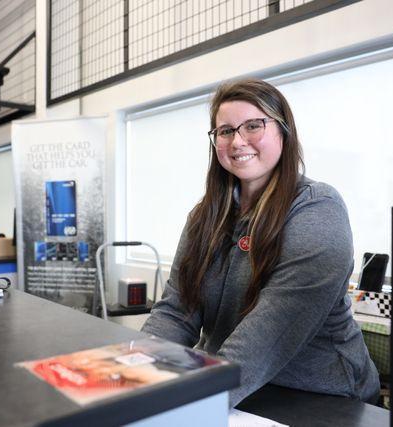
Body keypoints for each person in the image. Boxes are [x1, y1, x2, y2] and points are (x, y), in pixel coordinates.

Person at [141, 78, 380, 407]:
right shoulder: (204, 217)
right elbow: (176, 311)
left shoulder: (318, 208)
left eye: (253, 126)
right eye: (225, 131)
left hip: (320, 399)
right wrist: (135, 377)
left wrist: (196, 403)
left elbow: (273, 328)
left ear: (283, 131)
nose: (238, 141)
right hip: (231, 386)